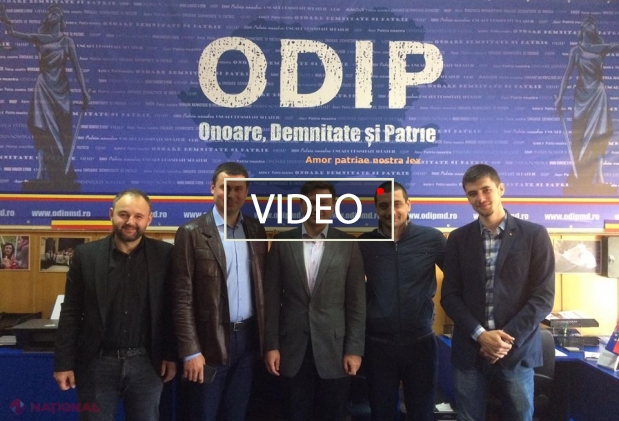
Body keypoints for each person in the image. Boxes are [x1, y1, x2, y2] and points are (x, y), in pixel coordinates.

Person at [440, 164, 555, 421]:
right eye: (472, 193)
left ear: (501, 189)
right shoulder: (458, 239)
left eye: (486, 190)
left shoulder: (534, 235)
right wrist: (481, 336)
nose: (480, 198)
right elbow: (450, 295)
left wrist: (503, 341)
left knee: (520, 417)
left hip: (516, 351)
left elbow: (543, 297)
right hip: (470, 351)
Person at [53, 189, 177, 420]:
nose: (130, 222)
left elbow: (171, 310)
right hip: (97, 364)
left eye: (138, 216)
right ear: (111, 214)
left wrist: (171, 354)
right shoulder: (86, 256)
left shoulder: (165, 255)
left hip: (147, 364)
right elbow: (70, 312)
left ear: (149, 219)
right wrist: (63, 363)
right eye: (124, 214)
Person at [264, 181, 366, 421]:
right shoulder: (282, 242)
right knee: (293, 414)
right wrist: (271, 345)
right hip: (291, 350)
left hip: (334, 351)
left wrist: (354, 349)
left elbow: (357, 304)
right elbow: (270, 300)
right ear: (302, 205)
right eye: (312, 202)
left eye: (325, 202)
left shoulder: (348, 244)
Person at [173, 162, 267, 421]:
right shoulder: (191, 233)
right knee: (203, 414)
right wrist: (191, 350)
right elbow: (181, 298)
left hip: (248, 342)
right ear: (212, 188)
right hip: (208, 343)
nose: (232, 195)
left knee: (236, 414)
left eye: (238, 189)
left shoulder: (255, 230)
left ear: (246, 192)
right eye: (225, 187)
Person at [358, 181, 445, 421]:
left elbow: (458, 281)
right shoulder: (364, 244)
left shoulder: (432, 239)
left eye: (397, 204)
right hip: (378, 344)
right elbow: (353, 292)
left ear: (408, 205)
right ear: (377, 209)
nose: (391, 211)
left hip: (420, 343)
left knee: (422, 412)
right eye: (384, 205)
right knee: (382, 413)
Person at [0, 4, 90, 189]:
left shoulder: (67, 41)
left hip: (61, 91)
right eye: (49, 12)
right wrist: (5, 18)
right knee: (39, 127)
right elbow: (13, 33)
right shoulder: (39, 38)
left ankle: (62, 172)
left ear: (61, 17)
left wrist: (84, 92)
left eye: (55, 11)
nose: (52, 14)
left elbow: (77, 68)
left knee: (63, 131)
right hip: (42, 88)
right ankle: (41, 171)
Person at [555, 16, 619, 188]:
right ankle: (580, 176)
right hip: (582, 97)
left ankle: (600, 177)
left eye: (593, 23)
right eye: (587, 23)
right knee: (581, 136)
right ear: (582, 29)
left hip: (598, 95)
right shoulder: (576, 51)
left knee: (600, 134)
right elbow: (567, 75)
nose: (591, 25)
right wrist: (560, 97)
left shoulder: (601, 48)